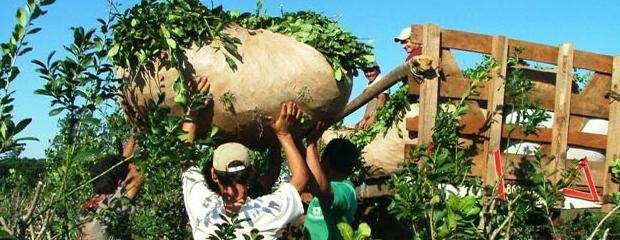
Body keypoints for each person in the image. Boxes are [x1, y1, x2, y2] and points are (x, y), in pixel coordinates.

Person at [182, 76, 310, 239]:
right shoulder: (265, 212)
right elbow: (301, 179)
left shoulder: (202, 208)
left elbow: (184, 157)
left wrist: (193, 111)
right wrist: (283, 134)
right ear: (251, 173)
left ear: (214, 175)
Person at [79, 137, 143, 240]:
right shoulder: (113, 208)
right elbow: (138, 174)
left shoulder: (93, 206)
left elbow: (119, 165)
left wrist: (135, 135)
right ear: (119, 182)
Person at [303, 124, 360, 240]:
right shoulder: (328, 184)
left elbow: (320, 187)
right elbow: (308, 168)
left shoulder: (346, 190)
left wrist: (312, 143)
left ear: (326, 161)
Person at [357, 62, 388, 129]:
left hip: (379, 118)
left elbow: (382, 98)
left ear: (377, 70)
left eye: (371, 71)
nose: (368, 74)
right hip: (371, 117)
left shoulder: (380, 80)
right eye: (366, 71)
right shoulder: (370, 84)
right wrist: (365, 118)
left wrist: (373, 118)